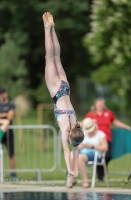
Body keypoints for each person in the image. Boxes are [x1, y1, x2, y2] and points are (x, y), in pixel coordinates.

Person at [42, 12, 84, 178]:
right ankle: (47, 28)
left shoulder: (76, 124)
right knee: (49, 57)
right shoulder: (65, 128)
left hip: (65, 88)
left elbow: (76, 144)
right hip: (55, 89)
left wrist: (76, 169)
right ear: (69, 135)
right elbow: (67, 151)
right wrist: (71, 171)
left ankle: (53, 29)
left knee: (57, 57)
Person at [83, 97, 131, 181]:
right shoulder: (91, 114)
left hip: (106, 138)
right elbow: (85, 122)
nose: (100, 106)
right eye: (99, 104)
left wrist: (126, 127)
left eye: (102, 104)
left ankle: (101, 169)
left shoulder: (108, 113)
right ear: (95, 105)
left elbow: (115, 122)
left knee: (108, 155)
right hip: (96, 139)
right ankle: (100, 176)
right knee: (97, 156)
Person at [70, 118, 108, 188]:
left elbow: (105, 148)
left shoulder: (100, 134)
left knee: (80, 157)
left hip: (95, 155)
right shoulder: (84, 134)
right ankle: (72, 179)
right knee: (72, 156)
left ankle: (85, 180)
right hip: (83, 153)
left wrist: (92, 146)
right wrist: (80, 146)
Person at [0, 88, 16, 178]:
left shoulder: (11, 104)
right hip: (1, 131)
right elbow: (7, 116)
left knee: (11, 153)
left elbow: (10, 117)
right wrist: (5, 115)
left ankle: (13, 173)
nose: (1, 95)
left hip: (9, 132)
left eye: (2, 93)